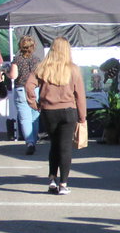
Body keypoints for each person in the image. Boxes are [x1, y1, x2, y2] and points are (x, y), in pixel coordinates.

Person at [25, 36, 86, 195]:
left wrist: (34, 104)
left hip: (48, 110)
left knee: (54, 145)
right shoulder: (73, 69)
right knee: (65, 148)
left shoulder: (43, 67)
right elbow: (80, 94)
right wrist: (82, 117)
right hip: (68, 110)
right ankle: (63, 184)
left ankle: (52, 180)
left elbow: (28, 85)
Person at [8, 36, 42, 155]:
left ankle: (30, 142)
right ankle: (34, 140)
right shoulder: (37, 60)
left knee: (25, 118)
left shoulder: (17, 60)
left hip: (21, 89)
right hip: (35, 89)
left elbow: (13, 75)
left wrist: (6, 72)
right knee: (34, 118)